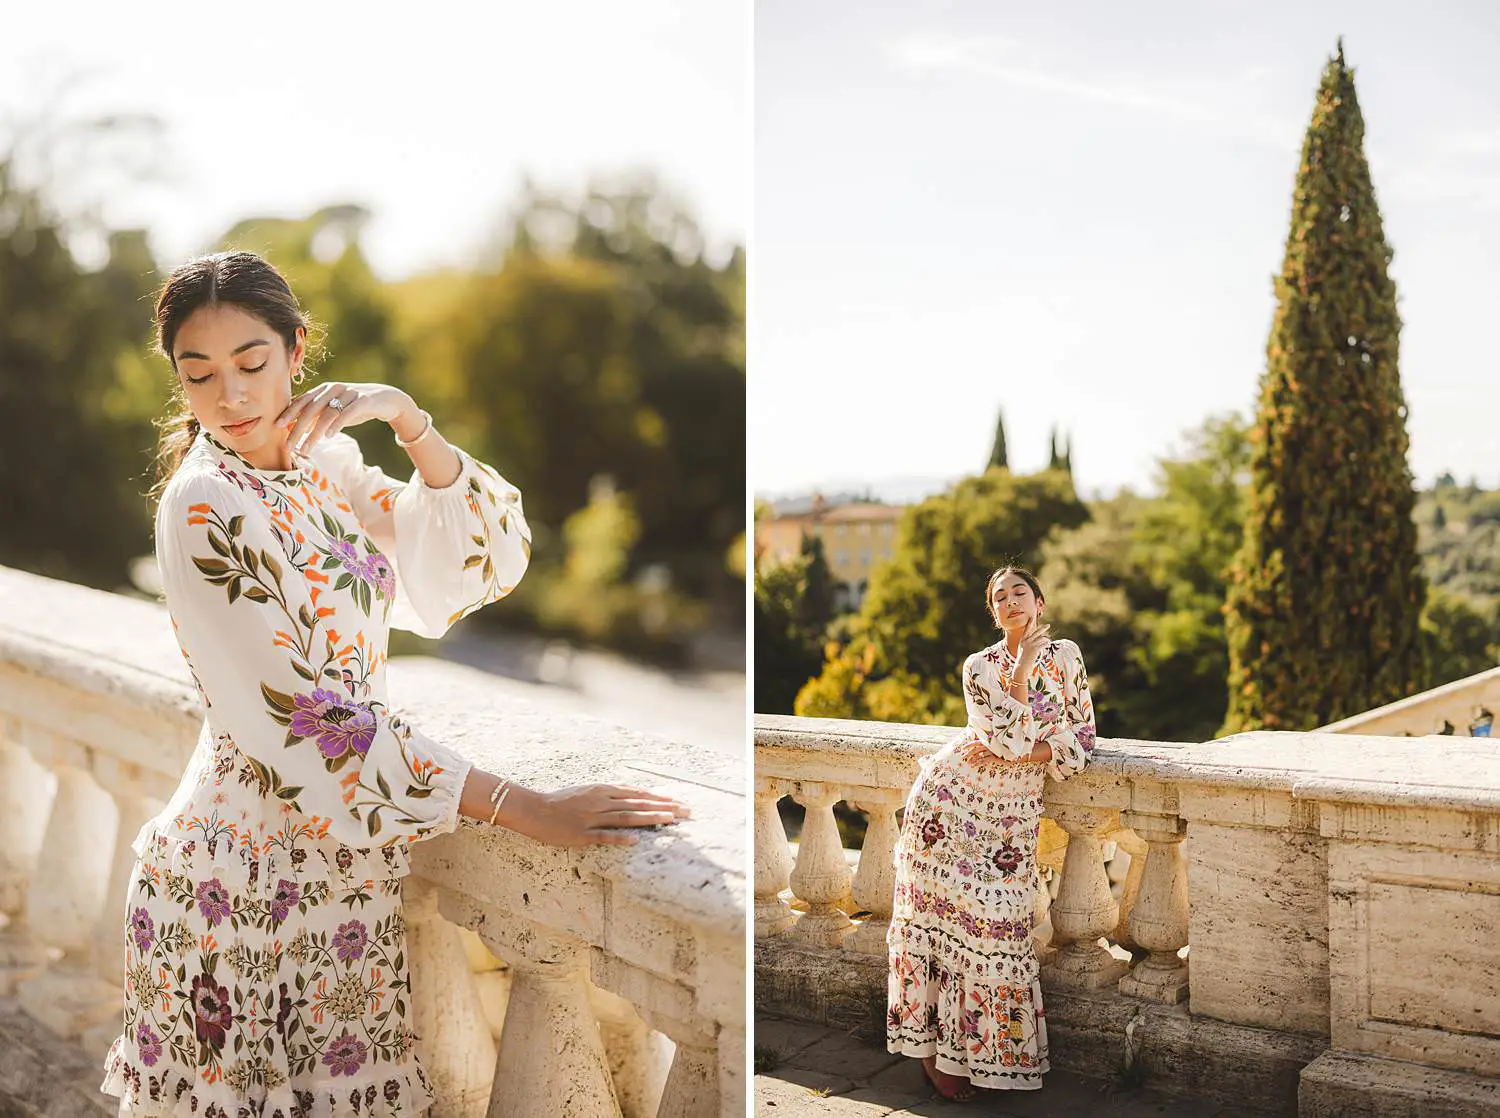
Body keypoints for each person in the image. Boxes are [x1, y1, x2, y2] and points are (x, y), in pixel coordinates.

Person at [100, 251, 688, 1116]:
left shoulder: (325, 465)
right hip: (235, 884)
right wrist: (523, 806)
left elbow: (466, 561)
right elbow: (302, 719)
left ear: (298, 352)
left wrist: (407, 419)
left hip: (344, 868)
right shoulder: (201, 506)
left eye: (252, 363)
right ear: (178, 382)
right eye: (200, 375)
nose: (230, 395)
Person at [885, 566, 1096, 1100]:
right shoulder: (978, 667)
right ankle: (934, 1056)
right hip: (950, 804)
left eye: (1019, 592)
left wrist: (1036, 748)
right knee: (938, 927)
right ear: (993, 611)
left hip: (1010, 813)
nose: (1010, 602)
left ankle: (982, 1058)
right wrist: (1021, 670)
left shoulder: (1068, 655)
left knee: (995, 931)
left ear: (1040, 602)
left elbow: (1085, 735)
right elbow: (1006, 737)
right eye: (999, 597)